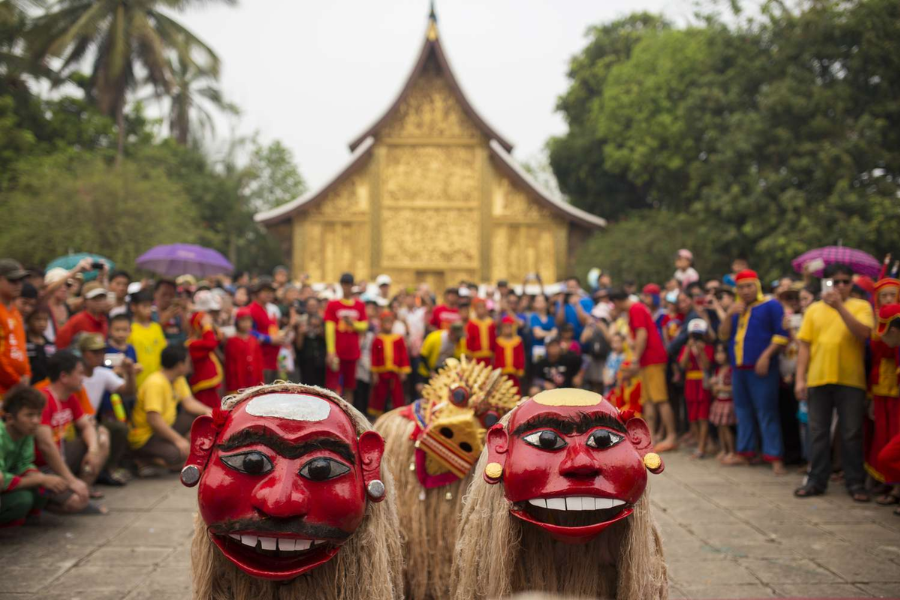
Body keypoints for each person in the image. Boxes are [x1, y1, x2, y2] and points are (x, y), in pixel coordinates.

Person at [795, 263, 874, 501]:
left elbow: (864, 334)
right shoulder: (814, 310)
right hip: (818, 378)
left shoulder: (861, 306)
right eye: (835, 281)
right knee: (818, 431)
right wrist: (800, 379)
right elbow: (804, 347)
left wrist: (840, 307)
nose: (840, 286)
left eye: (845, 282)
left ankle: (855, 482)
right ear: (826, 283)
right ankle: (816, 480)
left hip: (851, 379)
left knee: (851, 433)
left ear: (852, 284)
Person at [717, 269, 789, 474]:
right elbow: (723, 335)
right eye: (741, 287)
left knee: (767, 411)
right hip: (739, 368)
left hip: (762, 367)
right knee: (743, 411)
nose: (746, 291)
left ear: (757, 286)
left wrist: (766, 356)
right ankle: (746, 453)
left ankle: (775, 456)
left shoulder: (771, 305)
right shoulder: (737, 309)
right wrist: (729, 313)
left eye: (749, 286)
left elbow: (781, 335)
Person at [34, 351, 108, 514]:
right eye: (80, 373)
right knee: (75, 503)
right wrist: (71, 480)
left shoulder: (70, 396)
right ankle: (43, 503)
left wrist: (92, 451)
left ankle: (83, 488)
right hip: (41, 466)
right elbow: (46, 446)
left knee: (101, 437)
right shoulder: (43, 398)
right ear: (64, 376)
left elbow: (86, 425)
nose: (83, 377)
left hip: (62, 455)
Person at [610, 288, 677, 452]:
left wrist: (635, 358)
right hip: (647, 361)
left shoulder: (636, 309)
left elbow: (642, 335)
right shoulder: (634, 310)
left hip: (653, 359)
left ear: (617, 302)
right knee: (647, 400)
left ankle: (671, 436)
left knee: (660, 399)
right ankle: (651, 437)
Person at [128, 344, 211, 475]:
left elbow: (189, 403)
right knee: (177, 454)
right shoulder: (155, 383)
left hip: (166, 427)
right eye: (188, 361)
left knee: (198, 417)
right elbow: (154, 420)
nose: (190, 365)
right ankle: (143, 460)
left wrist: (211, 412)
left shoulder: (178, 378)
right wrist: (178, 440)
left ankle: (167, 458)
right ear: (180, 365)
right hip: (147, 436)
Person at [0, 386, 68, 526]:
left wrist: (42, 479)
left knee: (43, 489)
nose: (36, 421)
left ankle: (28, 521)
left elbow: (24, 464)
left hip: (7, 478)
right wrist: (40, 480)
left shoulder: (25, 433)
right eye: (29, 415)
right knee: (22, 499)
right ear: (10, 418)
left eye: (38, 415)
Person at [77, 333, 133, 485]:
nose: (99, 355)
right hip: (75, 423)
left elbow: (128, 391)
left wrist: (130, 372)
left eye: (102, 351)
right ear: (82, 353)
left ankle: (107, 469)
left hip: (91, 422)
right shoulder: (74, 375)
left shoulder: (103, 373)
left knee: (118, 429)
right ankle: (85, 483)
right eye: (94, 352)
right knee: (102, 436)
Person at [866, 278, 900, 501]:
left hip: (896, 389)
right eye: (883, 296)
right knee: (883, 435)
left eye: (892, 294)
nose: (888, 299)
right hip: (880, 386)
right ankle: (888, 482)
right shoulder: (876, 322)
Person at [323, 273, 367, 401]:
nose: (346, 287)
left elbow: (365, 325)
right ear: (341, 285)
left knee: (350, 386)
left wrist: (353, 323)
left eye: (349, 284)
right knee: (332, 387)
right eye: (344, 284)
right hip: (337, 353)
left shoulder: (360, 305)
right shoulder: (333, 304)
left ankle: (349, 416)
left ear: (353, 286)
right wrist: (331, 351)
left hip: (352, 352)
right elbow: (329, 329)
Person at [678, 319, 714, 459]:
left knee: (702, 417)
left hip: (703, 383)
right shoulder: (685, 348)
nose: (696, 338)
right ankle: (700, 443)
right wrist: (688, 348)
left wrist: (701, 351)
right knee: (692, 418)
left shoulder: (708, 348)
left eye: (699, 335)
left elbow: (707, 366)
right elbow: (682, 364)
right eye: (694, 335)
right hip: (690, 383)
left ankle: (701, 448)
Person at [369, 311, 411, 418]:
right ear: (381, 323)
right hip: (381, 372)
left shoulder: (398, 339)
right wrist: (374, 373)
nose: (388, 324)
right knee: (379, 394)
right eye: (385, 322)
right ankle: (376, 415)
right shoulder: (377, 339)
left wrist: (403, 371)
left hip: (395, 372)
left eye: (390, 322)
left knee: (397, 394)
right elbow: (374, 356)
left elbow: (403, 355)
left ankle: (398, 414)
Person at [0, 259, 31, 397]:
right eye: (12, 280)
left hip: (16, 387)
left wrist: (27, 374)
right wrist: (16, 380)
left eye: (20, 281)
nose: (18, 285)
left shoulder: (15, 312)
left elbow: (21, 348)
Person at [248, 277, 285, 383]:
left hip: (273, 359)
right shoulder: (252, 310)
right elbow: (248, 332)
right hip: (260, 360)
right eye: (265, 291)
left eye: (271, 292)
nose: (269, 294)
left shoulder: (270, 309)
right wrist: (269, 339)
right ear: (257, 293)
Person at [128, 289, 167, 390]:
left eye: (150, 306)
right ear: (133, 307)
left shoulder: (156, 327)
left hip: (158, 381)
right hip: (138, 382)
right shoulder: (129, 329)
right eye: (144, 306)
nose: (148, 310)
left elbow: (163, 352)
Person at [55, 281, 109, 350]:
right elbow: (60, 343)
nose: (99, 302)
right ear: (84, 301)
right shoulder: (77, 320)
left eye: (102, 298)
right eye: (94, 298)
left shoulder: (103, 320)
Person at [186, 312, 223, 410]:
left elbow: (217, 339)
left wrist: (212, 326)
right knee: (210, 413)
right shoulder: (192, 344)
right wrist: (206, 327)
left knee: (216, 409)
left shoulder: (200, 341)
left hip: (209, 385)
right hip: (203, 387)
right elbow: (211, 344)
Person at [224, 307, 264, 394]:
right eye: (243, 320)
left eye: (249, 320)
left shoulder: (254, 340)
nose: (246, 323)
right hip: (238, 384)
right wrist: (232, 386)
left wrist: (260, 383)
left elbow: (259, 362)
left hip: (254, 383)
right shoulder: (232, 341)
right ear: (237, 322)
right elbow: (230, 366)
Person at [710, 341, 737, 462]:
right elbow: (714, 391)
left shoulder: (731, 370)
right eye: (717, 353)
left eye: (722, 352)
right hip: (718, 402)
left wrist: (720, 388)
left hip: (728, 402)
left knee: (726, 428)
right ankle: (724, 449)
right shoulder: (717, 370)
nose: (719, 356)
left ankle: (731, 451)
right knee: (720, 428)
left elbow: (734, 387)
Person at [493, 315, 525, 393]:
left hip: (515, 373)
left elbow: (521, 356)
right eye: (505, 327)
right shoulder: (498, 341)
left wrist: (520, 369)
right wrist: (497, 371)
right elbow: (497, 358)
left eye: (509, 326)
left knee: (515, 391)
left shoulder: (518, 341)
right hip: (502, 375)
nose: (507, 329)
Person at [25, 307, 55, 384]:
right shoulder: (23, 341)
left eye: (45, 320)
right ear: (28, 320)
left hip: (44, 387)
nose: (42, 323)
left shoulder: (50, 344)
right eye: (37, 319)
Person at [152, 279, 186, 344]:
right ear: (155, 294)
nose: (167, 298)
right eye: (164, 294)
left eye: (171, 295)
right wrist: (162, 322)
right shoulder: (149, 314)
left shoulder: (178, 314)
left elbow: (188, 334)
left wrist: (183, 314)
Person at [464, 297, 496, 366]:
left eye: (482, 307)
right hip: (476, 356)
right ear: (474, 309)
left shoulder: (491, 323)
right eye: (478, 307)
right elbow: (469, 340)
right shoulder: (472, 323)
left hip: (489, 356)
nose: (480, 309)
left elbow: (493, 339)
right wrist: (469, 355)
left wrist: (494, 354)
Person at [529, 294, 556, 362]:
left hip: (550, 351)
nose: (538, 303)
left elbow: (555, 333)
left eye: (541, 301)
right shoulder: (533, 317)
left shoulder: (551, 318)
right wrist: (550, 333)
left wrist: (543, 333)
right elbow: (537, 334)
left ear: (546, 303)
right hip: (537, 350)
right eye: (537, 301)